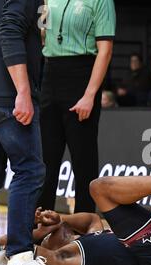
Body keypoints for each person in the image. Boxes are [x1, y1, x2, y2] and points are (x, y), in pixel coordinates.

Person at [0, 0, 67, 265]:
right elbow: (10, 29)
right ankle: (21, 258)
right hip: (7, 91)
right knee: (30, 170)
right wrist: (23, 90)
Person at [38, 0, 116, 213]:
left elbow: (105, 50)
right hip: (50, 74)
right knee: (46, 160)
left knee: (83, 160)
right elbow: (41, 36)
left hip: (82, 75)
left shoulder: (102, 1)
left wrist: (89, 95)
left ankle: (85, 227)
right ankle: (40, 224)